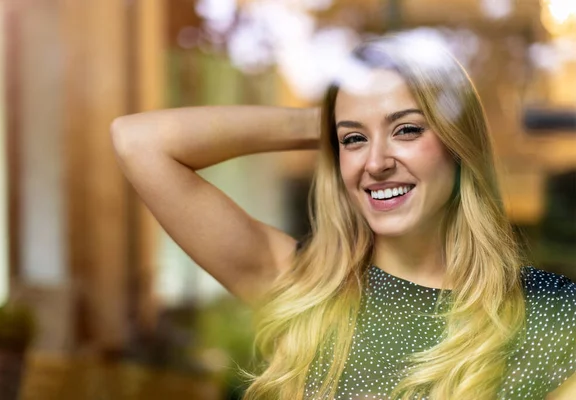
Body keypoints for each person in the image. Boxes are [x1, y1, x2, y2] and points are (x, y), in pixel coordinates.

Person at [110, 33, 576, 400]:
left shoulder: (553, 315)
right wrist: (329, 121)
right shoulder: (299, 285)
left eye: (407, 130)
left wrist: (357, 120)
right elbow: (139, 141)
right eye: (353, 141)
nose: (375, 163)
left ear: (458, 145)